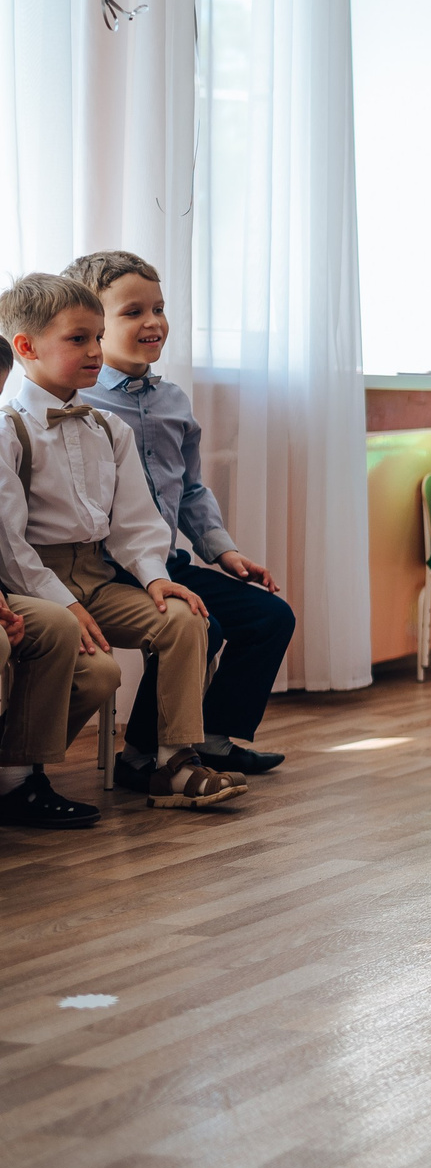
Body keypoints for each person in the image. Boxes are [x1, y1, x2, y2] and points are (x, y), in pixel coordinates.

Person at [0, 274, 234, 812]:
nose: (95, 351)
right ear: (26, 347)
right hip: (35, 581)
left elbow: (135, 522)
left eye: (98, 337)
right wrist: (63, 603)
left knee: (185, 619)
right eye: (77, 339)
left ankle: (173, 763)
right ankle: (16, 771)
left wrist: (156, 576)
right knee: (99, 672)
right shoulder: (11, 429)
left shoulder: (108, 427)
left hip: (98, 575)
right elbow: (9, 543)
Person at [67, 252, 297, 783]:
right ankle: (142, 756)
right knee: (202, 625)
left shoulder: (173, 401)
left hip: (168, 562)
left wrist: (223, 549)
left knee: (269, 618)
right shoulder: (77, 402)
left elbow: (191, 488)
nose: (153, 323)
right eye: (132, 312)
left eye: (160, 308)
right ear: (95, 324)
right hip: (108, 569)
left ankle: (212, 738)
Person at [0, 339, 116, 830]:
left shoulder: (104, 428)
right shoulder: (14, 429)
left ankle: (16, 778)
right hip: (26, 576)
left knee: (99, 671)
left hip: (26, 584)